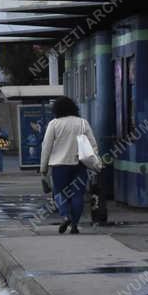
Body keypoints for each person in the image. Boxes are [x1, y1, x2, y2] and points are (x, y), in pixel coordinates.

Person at [40, 96, 101, 234]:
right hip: (79, 164)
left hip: (59, 165)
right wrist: (96, 162)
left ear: (56, 110)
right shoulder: (82, 123)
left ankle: (65, 215)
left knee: (59, 193)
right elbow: (92, 145)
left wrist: (43, 168)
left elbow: (46, 147)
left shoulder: (54, 124)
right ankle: (74, 225)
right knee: (77, 194)